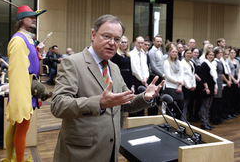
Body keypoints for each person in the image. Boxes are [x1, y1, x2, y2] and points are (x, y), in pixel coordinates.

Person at [50, 14, 163, 162]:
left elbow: (124, 102)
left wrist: (145, 98)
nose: (112, 43)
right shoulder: (72, 63)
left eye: (117, 39)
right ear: (93, 34)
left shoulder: (114, 68)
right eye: (107, 36)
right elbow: (58, 105)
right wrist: (99, 103)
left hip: (110, 151)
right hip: (81, 154)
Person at [1, 5, 46, 162]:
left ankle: (12, 158)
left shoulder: (26, 38)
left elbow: (29, 63)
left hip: (28, 87)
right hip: (23, 89)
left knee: (17, 126)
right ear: (21, 21)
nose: (34, 20)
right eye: (30, 17)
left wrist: (38, 55)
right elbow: (17, 72)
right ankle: (18, 160)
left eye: (35, 17)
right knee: (21, 126)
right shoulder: (19, 40)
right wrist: (21, 97)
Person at [110, 36, 135, 127]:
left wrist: (132, 84)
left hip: (128, 79)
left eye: (125, 42)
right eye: (122, 42)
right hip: (119, 79)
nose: (124, 44)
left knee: (125, 104)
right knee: (119, 105)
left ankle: (121, 126)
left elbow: (130, 70)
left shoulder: (128, 55)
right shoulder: (115, 55)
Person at [129, 36, 150, 116]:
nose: (140, 45)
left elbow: (145, 67)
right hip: (136, 80)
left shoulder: (143, 54)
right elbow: (135, 69)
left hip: (144, 81)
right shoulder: (131, 54)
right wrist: (142, 79)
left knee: (142, 102)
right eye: (139, 43)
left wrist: (146, 78)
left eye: (142, 43)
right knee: (135, 102)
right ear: (135, 43)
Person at [163, 46, 184, 119]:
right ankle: (169, 123)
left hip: (178, 86)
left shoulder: (179, 62)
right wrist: (178, 81)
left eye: (176, 52)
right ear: (169, 53)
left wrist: (180, 85)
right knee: (170, 106)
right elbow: (168, 76)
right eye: (173, 52)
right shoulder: (166, 62)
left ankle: (178, 122)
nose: (174, 53)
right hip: (169, 86)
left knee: (180, 106)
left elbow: (182, 74)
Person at [147, 35, 165, 115]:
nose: (159, 43)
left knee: (157, 98)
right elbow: (153, 67)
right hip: (154, 77)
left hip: (160, 77)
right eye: (157, 41)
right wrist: (162, 74)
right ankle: (151, 116)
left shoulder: (160, 51)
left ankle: (155, 116)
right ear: (153, 42)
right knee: (153, 97)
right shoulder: (151, 52)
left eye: (160, 41)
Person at [200, 50, 217, 130]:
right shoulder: (204, 64)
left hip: (211, 86)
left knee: (208, 105)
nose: (211, 56)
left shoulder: (211, 64)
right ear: (206, 55)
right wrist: (206, 88)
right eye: (210, 55)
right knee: (204, 105)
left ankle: (207, 122)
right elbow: (203, 78)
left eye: (213, 55)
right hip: (206, 87)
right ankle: (203, 122)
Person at [181, 49, 196, 121]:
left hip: (191, 86)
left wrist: (193, 85)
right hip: (185, 86)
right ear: (184, 54)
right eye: (187, 53)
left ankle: (185, 120)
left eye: (190, 53)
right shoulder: (182, 63)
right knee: (184, 104)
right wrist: (189, 86)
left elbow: (193, 75)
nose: (189, 55)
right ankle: (183, 120)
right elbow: (182, 76)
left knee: (187, 104)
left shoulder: (191, 63)